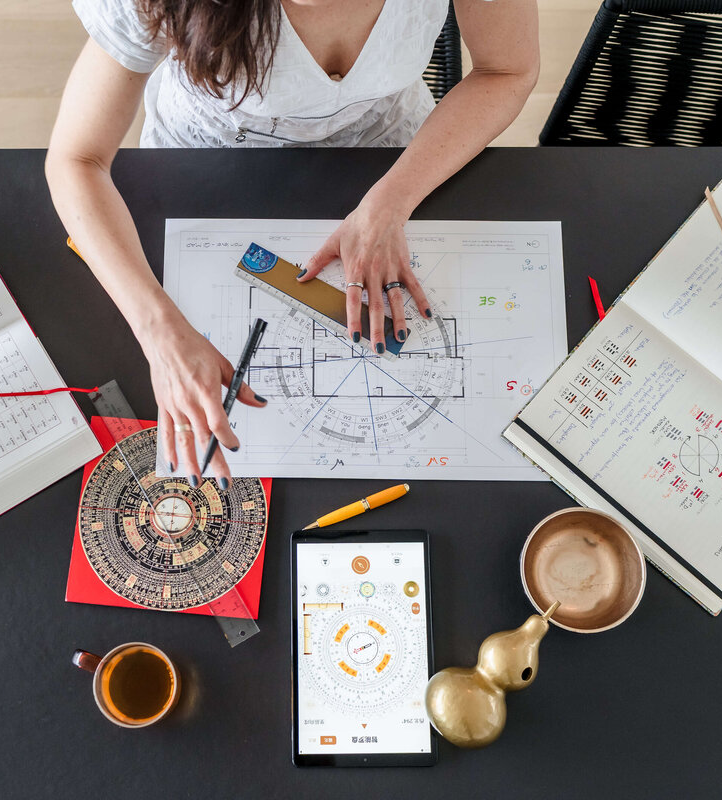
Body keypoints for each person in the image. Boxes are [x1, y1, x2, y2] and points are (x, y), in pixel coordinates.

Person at [46, 0, 540, 486]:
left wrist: (391, 202)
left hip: (396, 161)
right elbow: (76, 159)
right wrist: (160, 333)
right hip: (207, 173)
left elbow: (507, 70)